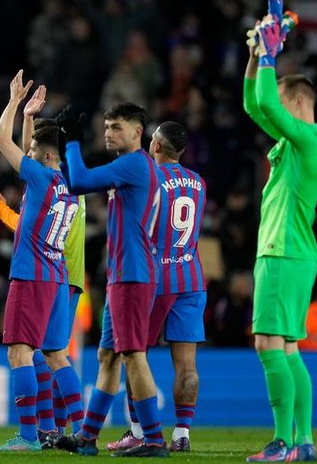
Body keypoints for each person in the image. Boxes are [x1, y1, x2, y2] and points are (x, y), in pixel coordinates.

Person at [56, 101, 168, 458]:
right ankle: (87, 438)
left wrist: (72, 142)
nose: (108, 133)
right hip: (124, 274)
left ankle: (154, 440)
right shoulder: (134, 166)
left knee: (133, 355)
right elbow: (74, 182)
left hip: (133, 274)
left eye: (117, 127)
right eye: (106, 127)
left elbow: (80, 182)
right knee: (108, 355)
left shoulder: (133, 164)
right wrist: (67, 148)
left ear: (137, 132)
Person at [243, 3, 317, 462]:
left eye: (281, 99)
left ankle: (280, 441)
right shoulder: (298, 144)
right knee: (289, 349)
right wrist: (255, 57)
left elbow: (266, 103)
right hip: (292, 253)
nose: (273, 108)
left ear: (297, 103)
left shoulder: (308, 140)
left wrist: (271, 57)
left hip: (283, 252)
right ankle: (305, 442)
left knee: (268, 344)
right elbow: (253, 103)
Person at [0, 72, 77, 453]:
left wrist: (13, 101)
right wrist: (28, 117)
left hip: (31, 274)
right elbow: (30, 152)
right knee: (56, 355)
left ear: (48, 156)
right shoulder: (69, 184)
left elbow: (0, 140)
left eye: (36, 149)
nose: (30, 152)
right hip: (56, 275)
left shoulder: (40, 177)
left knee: (19, 352)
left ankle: (27, 437)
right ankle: (81, 431)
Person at [107, 121, 207, 453]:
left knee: (135, 355)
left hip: (153, 278)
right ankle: (182, 434)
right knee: (187, 365)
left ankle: (138, 430)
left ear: (157, 146)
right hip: (191, 277)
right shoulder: (198, 182)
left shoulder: (150, 178)